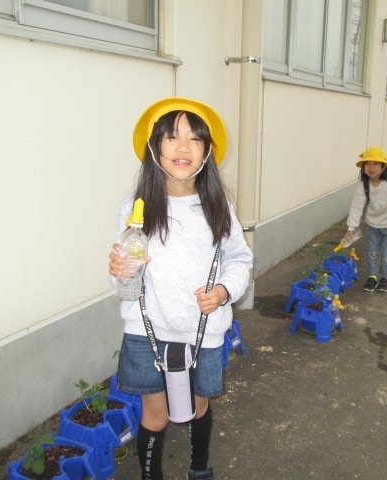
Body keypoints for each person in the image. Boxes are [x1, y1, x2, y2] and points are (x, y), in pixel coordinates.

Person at [108, 97, 253, 480]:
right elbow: (126, 279)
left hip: (203, 328)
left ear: (208, 150)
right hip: (146, 328)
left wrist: (223, 291)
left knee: (197, 407)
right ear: (154, 147)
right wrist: (121, 272)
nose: (183, 147)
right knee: (155, 415)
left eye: (195, 138)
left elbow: (240, 259)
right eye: (171, 137)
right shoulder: (135, 206)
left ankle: (199, 467)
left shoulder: (217, 205)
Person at [343, 146, 387, 293]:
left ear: (383, 165)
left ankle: (385, 278)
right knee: (372, 252)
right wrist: (351, 227)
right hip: (372, 225)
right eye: (367, 164)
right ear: (363, 167)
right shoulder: (364, 184)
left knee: (386, 254)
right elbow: (357, 206)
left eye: (375, 163)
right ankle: (372, 276)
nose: (371, 167)